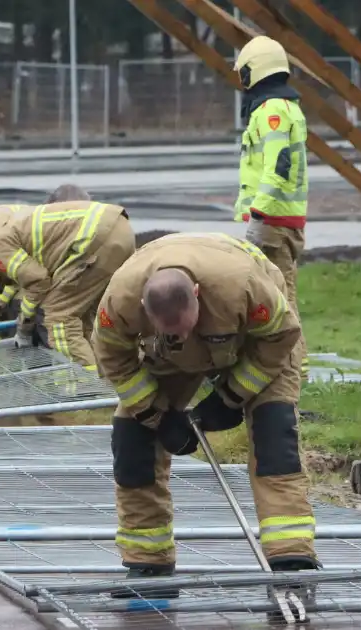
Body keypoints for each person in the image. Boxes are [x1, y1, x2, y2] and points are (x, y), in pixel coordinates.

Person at [91, 232, 319, 598]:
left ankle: (291, 562)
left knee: (275, 437)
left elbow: (280, 338)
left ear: (196, 294)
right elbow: (114, 361)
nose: (182, 335)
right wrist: (157, 415)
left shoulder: (244, 285)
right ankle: (148, 562)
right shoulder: (120, 301)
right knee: (131, 441)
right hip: (168, 360)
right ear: (146, 312)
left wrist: (230, 396)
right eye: (171, 331)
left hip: (258, 342)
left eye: (186, 326)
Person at [0, 193, 134, 374]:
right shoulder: (0, 226)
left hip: (94, 239)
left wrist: (24, 330)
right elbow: (25, 280)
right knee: (90, 317)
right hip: (118, 227)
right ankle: (113, 376)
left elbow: (38, 281)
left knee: (59, 319)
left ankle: (93, 387)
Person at [233, 35, 310, 378]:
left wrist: (259, 217)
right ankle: (295, 363)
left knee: (277, 296)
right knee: (283, 291)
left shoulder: (272, 111)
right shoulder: (285, 107)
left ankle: (291, 365)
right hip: (279, 219)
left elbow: (277, 168)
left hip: (273, 221)